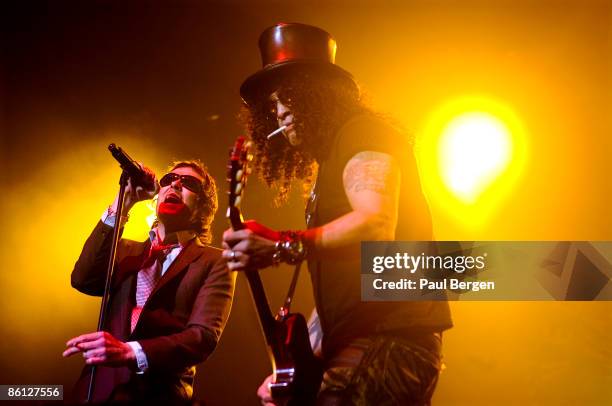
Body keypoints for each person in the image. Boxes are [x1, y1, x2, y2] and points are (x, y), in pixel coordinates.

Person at [223, 23, 452, 405]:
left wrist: (283, 245)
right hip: (361, 339)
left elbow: (376, 224)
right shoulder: (328, 167)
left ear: (318, 95)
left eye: (288, 98)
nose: (279, 112)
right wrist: (290, 369)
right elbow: (339, 300)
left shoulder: (363, 133)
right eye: (273, 104)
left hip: (388, 338)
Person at [64, 160, 235, 403]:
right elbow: (83, 280)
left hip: (159, 396)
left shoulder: (214, 261)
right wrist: (123, 204)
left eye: (188, 183)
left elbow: (202, 337)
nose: (175, 183)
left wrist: (130, 352)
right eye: (168, 180)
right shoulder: (124, 250)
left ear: (203, 207)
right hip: (99, 391)